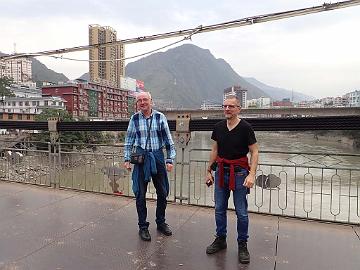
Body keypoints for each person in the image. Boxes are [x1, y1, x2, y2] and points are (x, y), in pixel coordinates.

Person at [205, 95, 259, 264]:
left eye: (231, 106)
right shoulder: (218, 127)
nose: (227, 109)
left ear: (238, 109)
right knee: (219, 208)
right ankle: (221, 239)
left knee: (241, 212)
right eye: (225, 106)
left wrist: (252, 174)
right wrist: (208, 170)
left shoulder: (246, 127)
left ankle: (242, 244)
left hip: (240, 173)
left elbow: (255, 151)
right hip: (221, 171)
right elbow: (215, 149)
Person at [123, 91, 176, 241]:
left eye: (145, 99)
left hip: (158, 156)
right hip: (141, 157)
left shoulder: (160, 117)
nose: (142, 102)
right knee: (140, 193)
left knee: (163, 191)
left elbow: (169, 142)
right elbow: (129, 141)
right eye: (139, 100)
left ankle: (161, 222)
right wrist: (127, 159)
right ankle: (143, 226)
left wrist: (170, 159)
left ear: (151, 101)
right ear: (137, 104)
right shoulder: (134, 119)